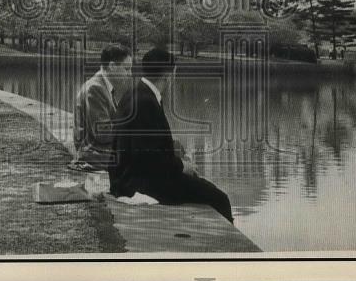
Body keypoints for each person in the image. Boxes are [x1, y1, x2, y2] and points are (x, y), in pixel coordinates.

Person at [109, 47, 234, 222]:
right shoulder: (146, 102)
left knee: (200, 184)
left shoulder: (134, 93)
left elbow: (144, 146)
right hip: (139, 183)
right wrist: (182, 166)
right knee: (220, 199)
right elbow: (150, 159)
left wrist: (174, 151)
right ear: (169, 75)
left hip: (125, 176)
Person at [72, 44, 133, 168]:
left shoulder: (102, 86)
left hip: (99, 151)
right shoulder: (95, 88)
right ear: (111, 66)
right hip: (94, 154)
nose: (130, 74)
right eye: (127, 69)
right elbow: (102, 134)